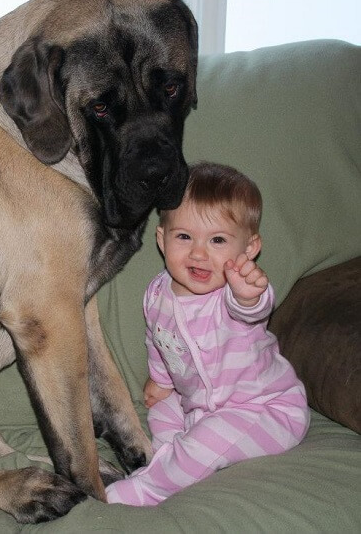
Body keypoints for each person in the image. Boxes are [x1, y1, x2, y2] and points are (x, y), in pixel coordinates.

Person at [105, 162, 309, 506]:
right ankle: (171, 460)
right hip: (195, 406)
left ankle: (154, 487)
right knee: (161, 412)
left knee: (210, 436)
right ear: (162, 238)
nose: (198, 253)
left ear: (248, 249)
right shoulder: (157, 294)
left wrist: (248, 293)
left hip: (263, 409)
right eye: (184, 236)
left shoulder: (233, 294)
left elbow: (253, 309)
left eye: (217, 240)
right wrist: (161, 381)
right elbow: (158, 341)